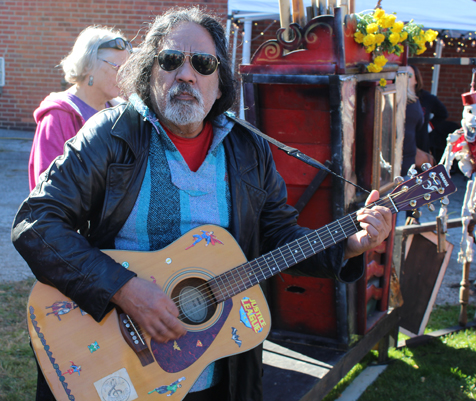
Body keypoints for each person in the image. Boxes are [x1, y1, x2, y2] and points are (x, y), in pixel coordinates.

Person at [12, 7, 392, 401]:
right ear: (150, 71)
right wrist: (123, 289)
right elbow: (36, 223)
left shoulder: (250, 150)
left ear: (220, 79)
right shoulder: (111, 135)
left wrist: (348, 245)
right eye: (171, 60)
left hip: (216, 377)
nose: (187, 74)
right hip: (116, 363)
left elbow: (278, 234)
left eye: (203, 63)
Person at [29, 26, 132, 190]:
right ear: (86, 66)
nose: (124, 76)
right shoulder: (58, 115)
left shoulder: (122, 112)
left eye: (127, 69)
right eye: (116, 67)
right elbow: (48, 188)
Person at [410, 64, 448, 155]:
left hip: (420, 143)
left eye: (410, 76)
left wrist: (429, 126)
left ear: (416, 79)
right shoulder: (396, 96)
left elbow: (443, 114)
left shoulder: (426, 98)